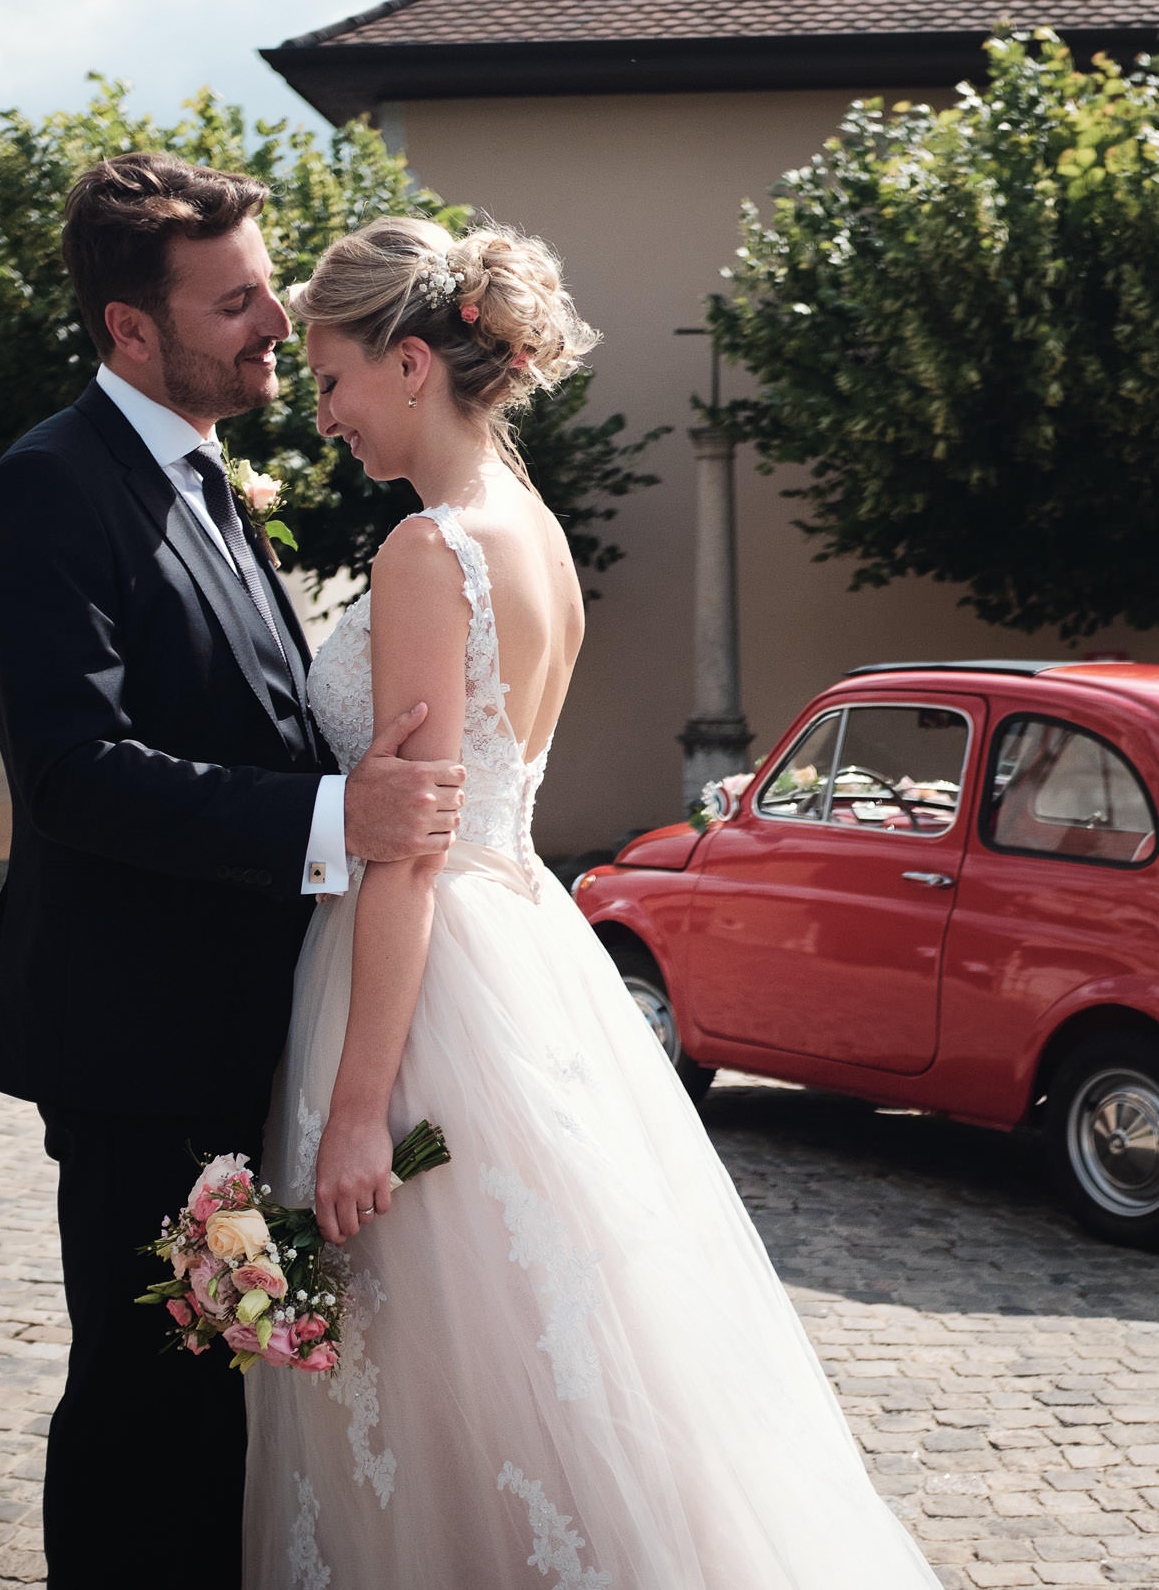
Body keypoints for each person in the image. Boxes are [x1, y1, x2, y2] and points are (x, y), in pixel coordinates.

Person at [245, 216, 942, 1588]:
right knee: (561, 1360)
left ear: (406, 361)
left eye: (330, 380)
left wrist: (359, 1108)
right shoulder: (535, 533)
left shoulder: (426, 551)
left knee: (451, 1373)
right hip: (529, 948)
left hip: (432, 972)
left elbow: (412, 843)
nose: (320, 414)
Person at [0, 154, 467, 1589]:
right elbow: (70, 773)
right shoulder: (49, 491)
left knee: (225, 1401)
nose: (275, 323)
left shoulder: (208, 476)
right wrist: (329, 825)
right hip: (136, 1041)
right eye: (238, 300)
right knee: (145, 1405)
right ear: (132, 329)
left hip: (241, 1031)